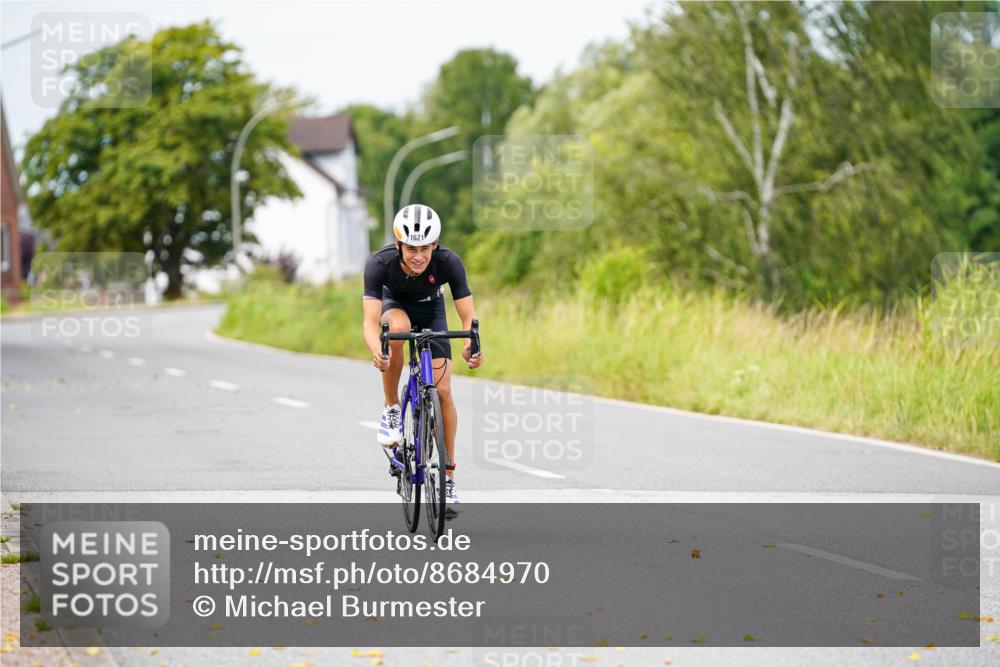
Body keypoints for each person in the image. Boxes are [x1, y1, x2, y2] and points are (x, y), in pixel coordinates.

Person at [362, 204, 483, 518]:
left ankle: (448, 476)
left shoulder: (449, 263)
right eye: (411, 248)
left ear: (435, 246)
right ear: (399, 244)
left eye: (425, 248)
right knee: (398, 330)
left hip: (432, 311)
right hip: (395, 307)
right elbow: (370, 322)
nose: (418, 256)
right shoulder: (380, 264)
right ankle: (391, 408)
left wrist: (471, 342)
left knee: (443, 392)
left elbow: (468, 315)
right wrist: (379, 349)